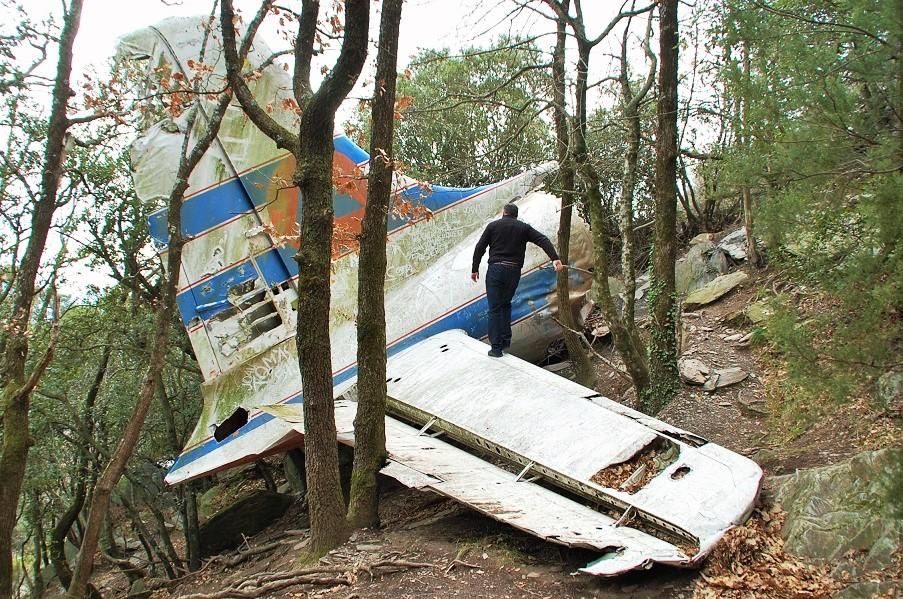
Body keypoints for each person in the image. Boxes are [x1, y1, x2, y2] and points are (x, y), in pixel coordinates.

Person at [471, 203, 565, 357]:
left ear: (503, 212)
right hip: (513, 271)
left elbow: (480, 247)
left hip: (495, 269)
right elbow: (542, 239)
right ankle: (506, 340)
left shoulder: (493, 226)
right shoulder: (523, 228)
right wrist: (555, 258)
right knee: (506, 303)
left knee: (494, 308)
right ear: (515, 215)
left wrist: (475, 268)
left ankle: (496, 348)